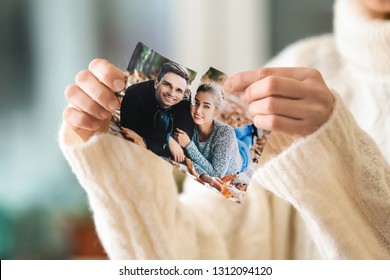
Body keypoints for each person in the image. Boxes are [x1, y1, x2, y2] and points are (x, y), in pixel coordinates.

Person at [61, 0, 390, 259]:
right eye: (195, 104)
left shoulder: (225, 136)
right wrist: (121, 154)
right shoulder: (300, 67)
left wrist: (337, 155)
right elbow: (201, 258)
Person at [120, 62, 194, 161]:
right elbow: (129, 129)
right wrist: (167, 139)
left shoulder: (186, 107)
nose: (172, 93)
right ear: (156, 83)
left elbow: (182, 150)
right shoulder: (135, 94)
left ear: (183, 95)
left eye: (179, 90)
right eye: (167, 85)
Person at [173, 83, 242, 190]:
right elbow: (186, 159)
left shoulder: (225, 132)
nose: (198, 110)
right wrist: (203, 175)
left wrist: (188, 145)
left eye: (206, 106)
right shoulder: (189, 124)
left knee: (243, 137)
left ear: (216, 111)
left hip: (239, 159)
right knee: (237, 135)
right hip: (227, 141)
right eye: (196, 103)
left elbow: (216, 173)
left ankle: (251, 129)